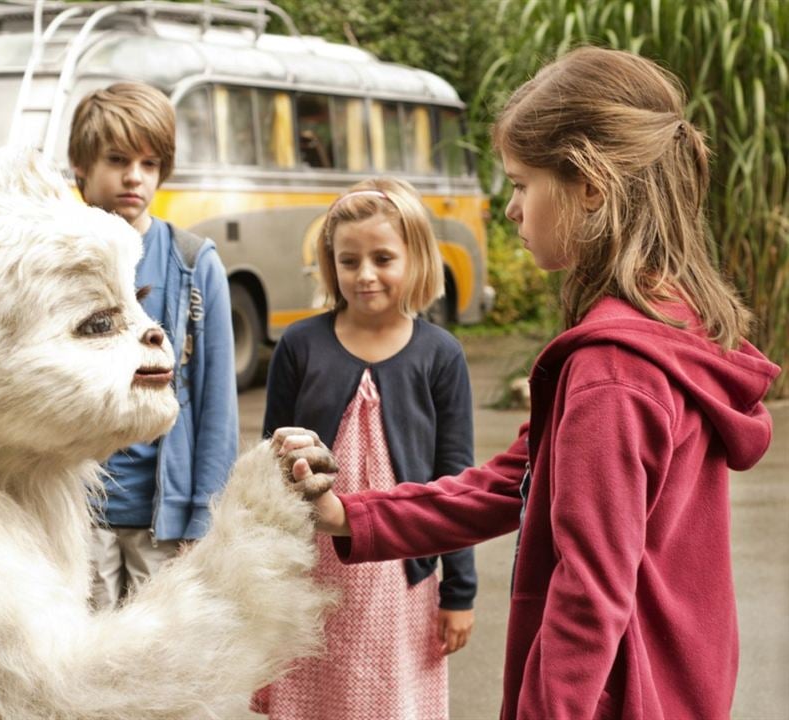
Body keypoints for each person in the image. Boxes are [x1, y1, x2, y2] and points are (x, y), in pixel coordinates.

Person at [277, 47, 781, 720]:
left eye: (521, 183)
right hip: (676, 688)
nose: (511, 208)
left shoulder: (613, 372)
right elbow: (508, 482)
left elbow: (588, 594)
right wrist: (349, 514)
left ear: (591, 186)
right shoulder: (671, 322)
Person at [256, 177, 477, 720]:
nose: (366, 274)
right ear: (331, 264)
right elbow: (268, 464)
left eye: (383, 258)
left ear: (417, 258)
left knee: (388, 700)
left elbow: (457, 481)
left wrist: (460, 592)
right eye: (348, 260)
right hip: (311, 573)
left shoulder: (441, 354)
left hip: (401, 578)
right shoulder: (299, 345)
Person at [68, 81, 239, 610]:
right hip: (73, 513)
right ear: (81, 168)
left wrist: (205, 516)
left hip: (163, 518)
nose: (133, 176)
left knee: (153, 669)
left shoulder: (193, 262)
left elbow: (216, 403)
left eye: (149, 162)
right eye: (117, 159)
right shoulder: (56, 260)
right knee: (78, 666)